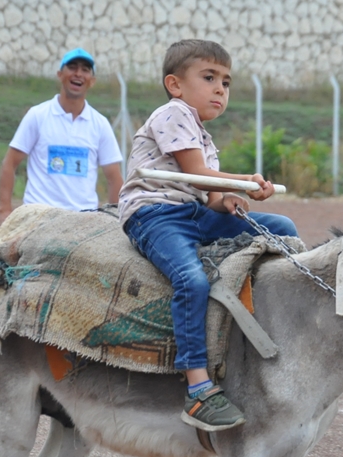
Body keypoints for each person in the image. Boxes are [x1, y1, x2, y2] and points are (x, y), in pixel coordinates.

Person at [117, 39, 298, 432]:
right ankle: (198, 389)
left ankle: (269, 329)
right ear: (175, 84)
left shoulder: (204, 136)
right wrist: (246, 180)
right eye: (210, 77)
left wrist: (231, 199)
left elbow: (211, 196)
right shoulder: (172, 113)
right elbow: (197, 171)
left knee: (281, 229)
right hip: (155, 216)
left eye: (227, 82)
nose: (221, 89)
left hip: (194, 214)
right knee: (191, 280)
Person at [0, 48, 123, 216]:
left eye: (85, 70)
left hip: (83, 219)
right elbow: (10, 163)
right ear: (60, 74)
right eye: (72, 67)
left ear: (92, 81)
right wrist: (5, 211)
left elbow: (113, 177)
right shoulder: (38, 116)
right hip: (38, 217)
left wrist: (116, 219)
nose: (78, 74)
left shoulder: (100, 124)